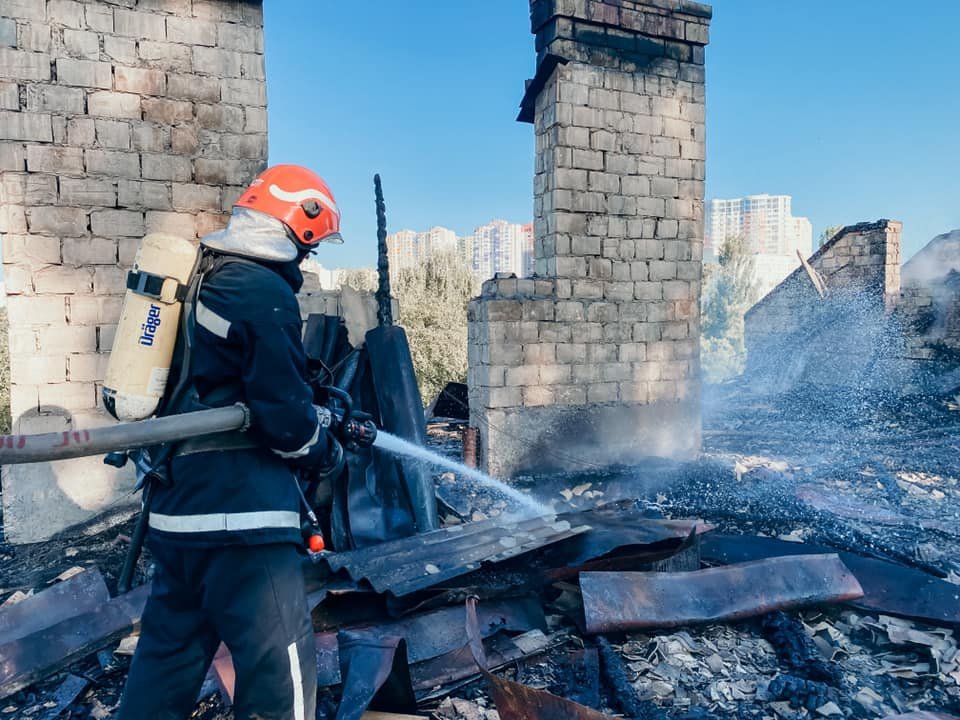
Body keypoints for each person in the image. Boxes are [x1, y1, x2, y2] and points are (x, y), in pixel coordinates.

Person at [118, 165, 346, 720]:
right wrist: (328, 450)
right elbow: (286, 424)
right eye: (309, 247)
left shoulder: (198, 280)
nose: (306, 260)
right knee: (279, 676)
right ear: (300, 224)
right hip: (241, 522)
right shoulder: (258, 287)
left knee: (165, 663)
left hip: (175, 515)